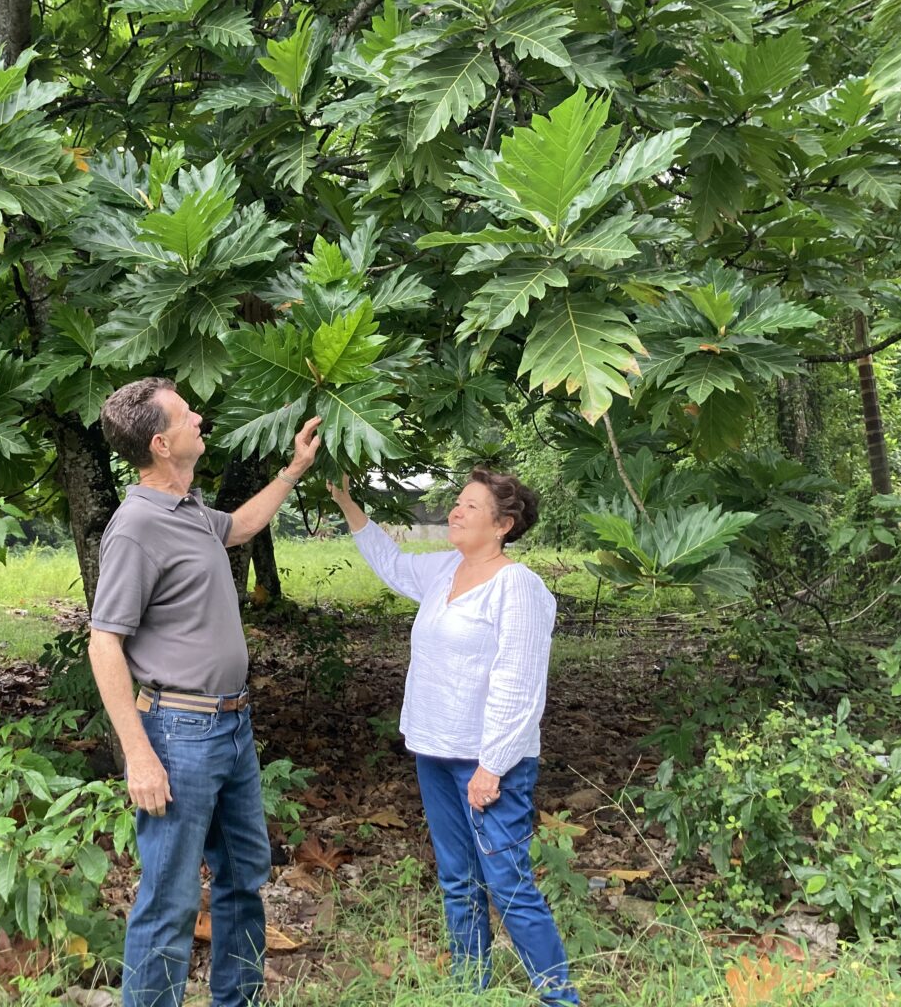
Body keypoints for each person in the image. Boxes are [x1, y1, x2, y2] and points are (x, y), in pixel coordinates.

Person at [88, 377, 321, 1007]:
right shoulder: (137, 527)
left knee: (244, 877)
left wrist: (296, 468)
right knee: (169, 898)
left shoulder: (190, 511)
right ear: (162, 444)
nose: (200, 418)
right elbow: (104, 643)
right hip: (178, 732)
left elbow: (241, 527)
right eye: (188, 414)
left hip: (233, 727)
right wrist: (138, 755)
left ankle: (235, 999)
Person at [326, 469, 580, 1007]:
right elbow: (392, 565)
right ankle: (470, 989)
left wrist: (493, 766)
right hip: (434, 752)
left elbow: (520, 681)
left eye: (469, 506)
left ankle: (562, 998)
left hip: (487, 762)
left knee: (508, 886)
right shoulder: (446, 569)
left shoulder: (517, 585)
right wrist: (347, 501)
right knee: (458, 881)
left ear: (504, 524)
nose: (455, 512)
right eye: (456, 503)